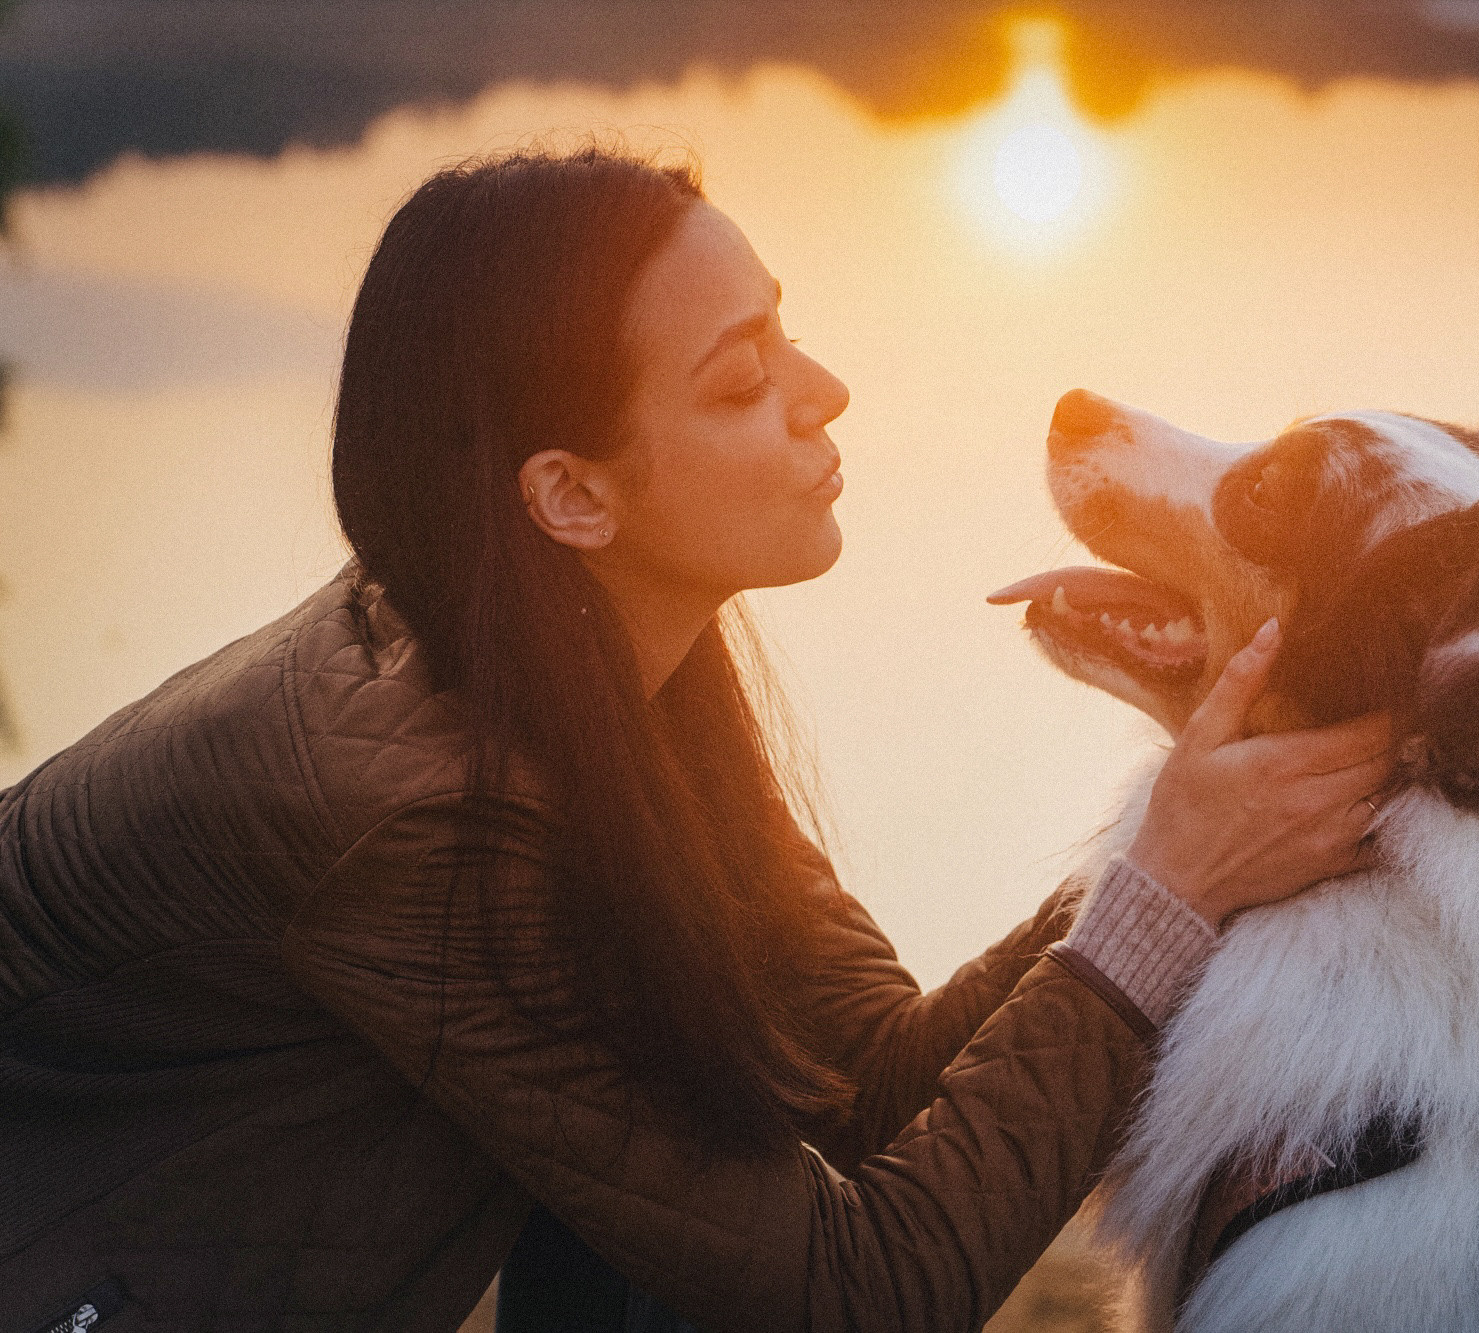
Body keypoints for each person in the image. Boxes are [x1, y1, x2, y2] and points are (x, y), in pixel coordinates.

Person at [0, 146, 1394, 1333]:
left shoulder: (581, 643)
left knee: (691, 1216)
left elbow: (861, 1086)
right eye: (741, 385)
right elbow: (862, 1291)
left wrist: (1164, 858)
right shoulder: (423, 815)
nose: (826, 390)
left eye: (784, 331)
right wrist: (1170, 888)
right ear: (571, 494)